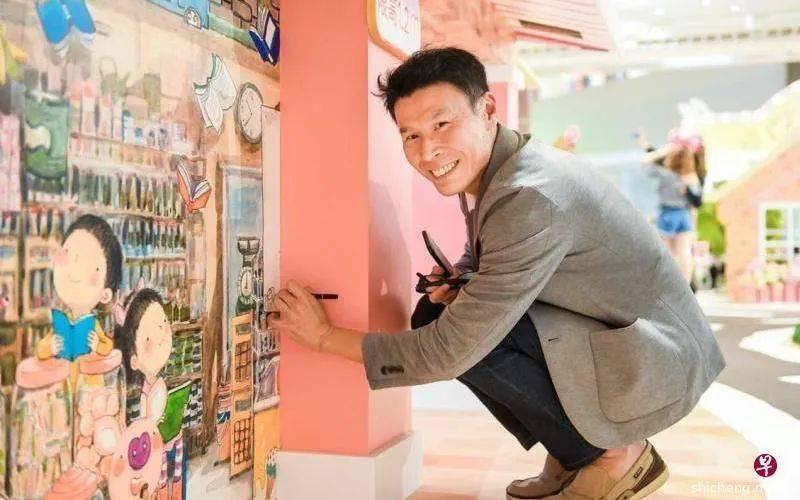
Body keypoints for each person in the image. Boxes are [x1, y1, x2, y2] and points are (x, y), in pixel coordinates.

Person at [270, 48, 725, 500]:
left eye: (441, 124)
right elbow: (489, 253)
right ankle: (575, 452)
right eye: (411, 135)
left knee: (459, 335)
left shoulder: (529, 195)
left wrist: (324, 337)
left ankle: (615, 454)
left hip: (654, 355)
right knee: (437, 312)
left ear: (487, 109)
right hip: (615, 332)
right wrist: (463, 277)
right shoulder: (501, 166)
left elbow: (450, 352)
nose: (427, 151)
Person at [643, 134, 703, 283]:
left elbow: (646, 163)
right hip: (684, 215)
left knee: (665, 252)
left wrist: (663, 151)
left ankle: (664, 283)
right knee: (684, 252)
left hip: (667, 214)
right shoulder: (692, 177)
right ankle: (686, 284)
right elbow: (696, 200)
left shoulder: (665, 174)